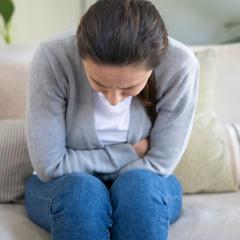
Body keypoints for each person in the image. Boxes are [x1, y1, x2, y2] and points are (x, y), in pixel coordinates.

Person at [24, 0, 199, 239]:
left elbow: (160, 163)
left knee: (137, 189)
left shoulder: (180, 65)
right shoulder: (53, 57)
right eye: (100, 84)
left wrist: (116, 191)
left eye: (129, 88)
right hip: (63, 187)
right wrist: (127, 152)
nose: (114, 100)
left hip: (145, 186)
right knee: (84, 193)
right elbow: (50, 166)